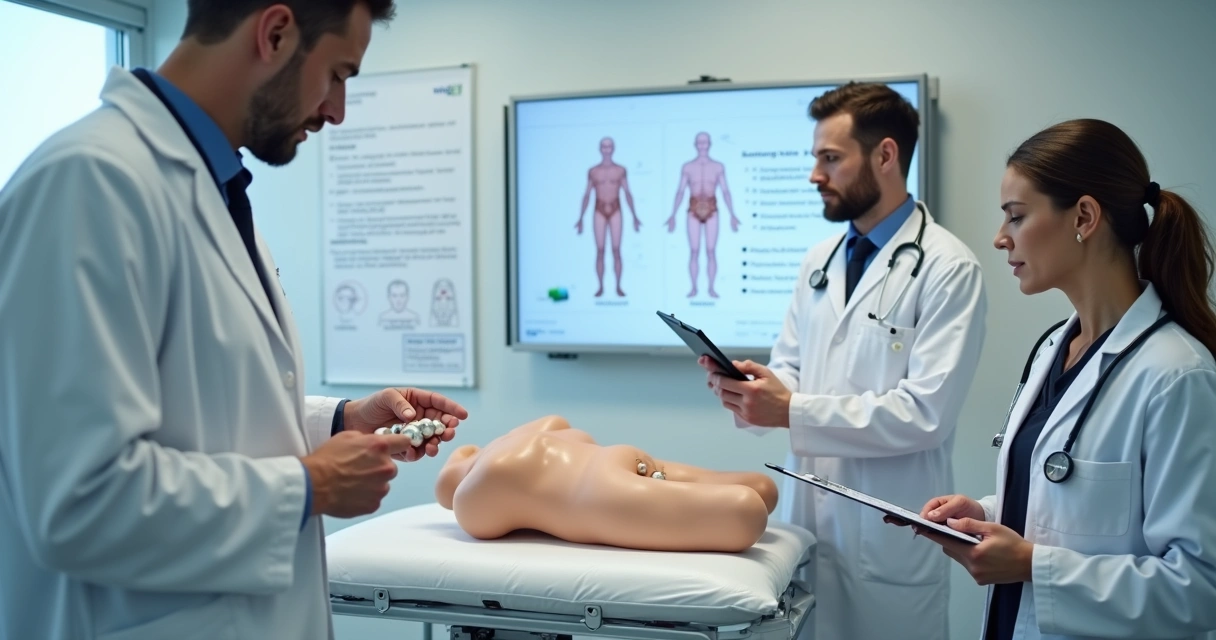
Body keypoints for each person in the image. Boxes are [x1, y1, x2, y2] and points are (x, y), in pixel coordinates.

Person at [0, 2, 470, 639]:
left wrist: (339, 422)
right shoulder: (88, 185)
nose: (337, 111)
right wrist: (308, 486)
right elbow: (77, 501)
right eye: (338, 74)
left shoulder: (215, 192)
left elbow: (195, 406)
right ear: (275, 34)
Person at [893, 119, 1216, 640]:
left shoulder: (1176, 375)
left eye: (1016, 217)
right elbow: (1075, 512)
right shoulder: (1053, 350)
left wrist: (1030, 565)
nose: (1000, 238)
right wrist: (983, 513)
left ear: (1084, 217)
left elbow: (1200, 589)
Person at [701, 82, 987, 640]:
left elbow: (925, 413)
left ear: (885, 155)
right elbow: (793, 373)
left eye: (831, 159)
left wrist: (791, 410)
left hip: (889, 541)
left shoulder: (949, 268)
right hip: (809, 528)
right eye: (816, 158)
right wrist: (754, 392)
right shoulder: (819, 260)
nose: (815, 175)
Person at [435, 415, 778, 553]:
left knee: (745, 514)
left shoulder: (473, 498)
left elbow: (466, 508)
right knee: (763, 490)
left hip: (602, 493)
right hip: (618, 459)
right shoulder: (541, 429)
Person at [665, 132, 741, 298]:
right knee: (694, 250)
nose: (702, 145)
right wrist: (672, 215)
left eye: (705, 142)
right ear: (695, 144)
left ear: (709, 144)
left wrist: (732, 215)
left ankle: (711, 288)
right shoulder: (687, 167)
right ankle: (694, 288)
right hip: (692, 210)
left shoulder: (718, 166)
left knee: (711, 251)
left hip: (712, 210)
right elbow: (680, 191)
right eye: (699, 142)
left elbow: (725, 190)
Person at [576, 136, 641, 297]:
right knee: (600, 250)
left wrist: (634, 216)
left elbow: (627, 193)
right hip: (599, 209)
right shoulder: (593, 171)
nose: (606, 149)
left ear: (613, 149)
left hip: (615, 209)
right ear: (600, 149)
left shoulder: (620, 170)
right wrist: (581, 218)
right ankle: (600, 287)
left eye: (609, 146)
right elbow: (587, 194)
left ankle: (618, 286)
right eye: (604, 146)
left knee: (616, 250)